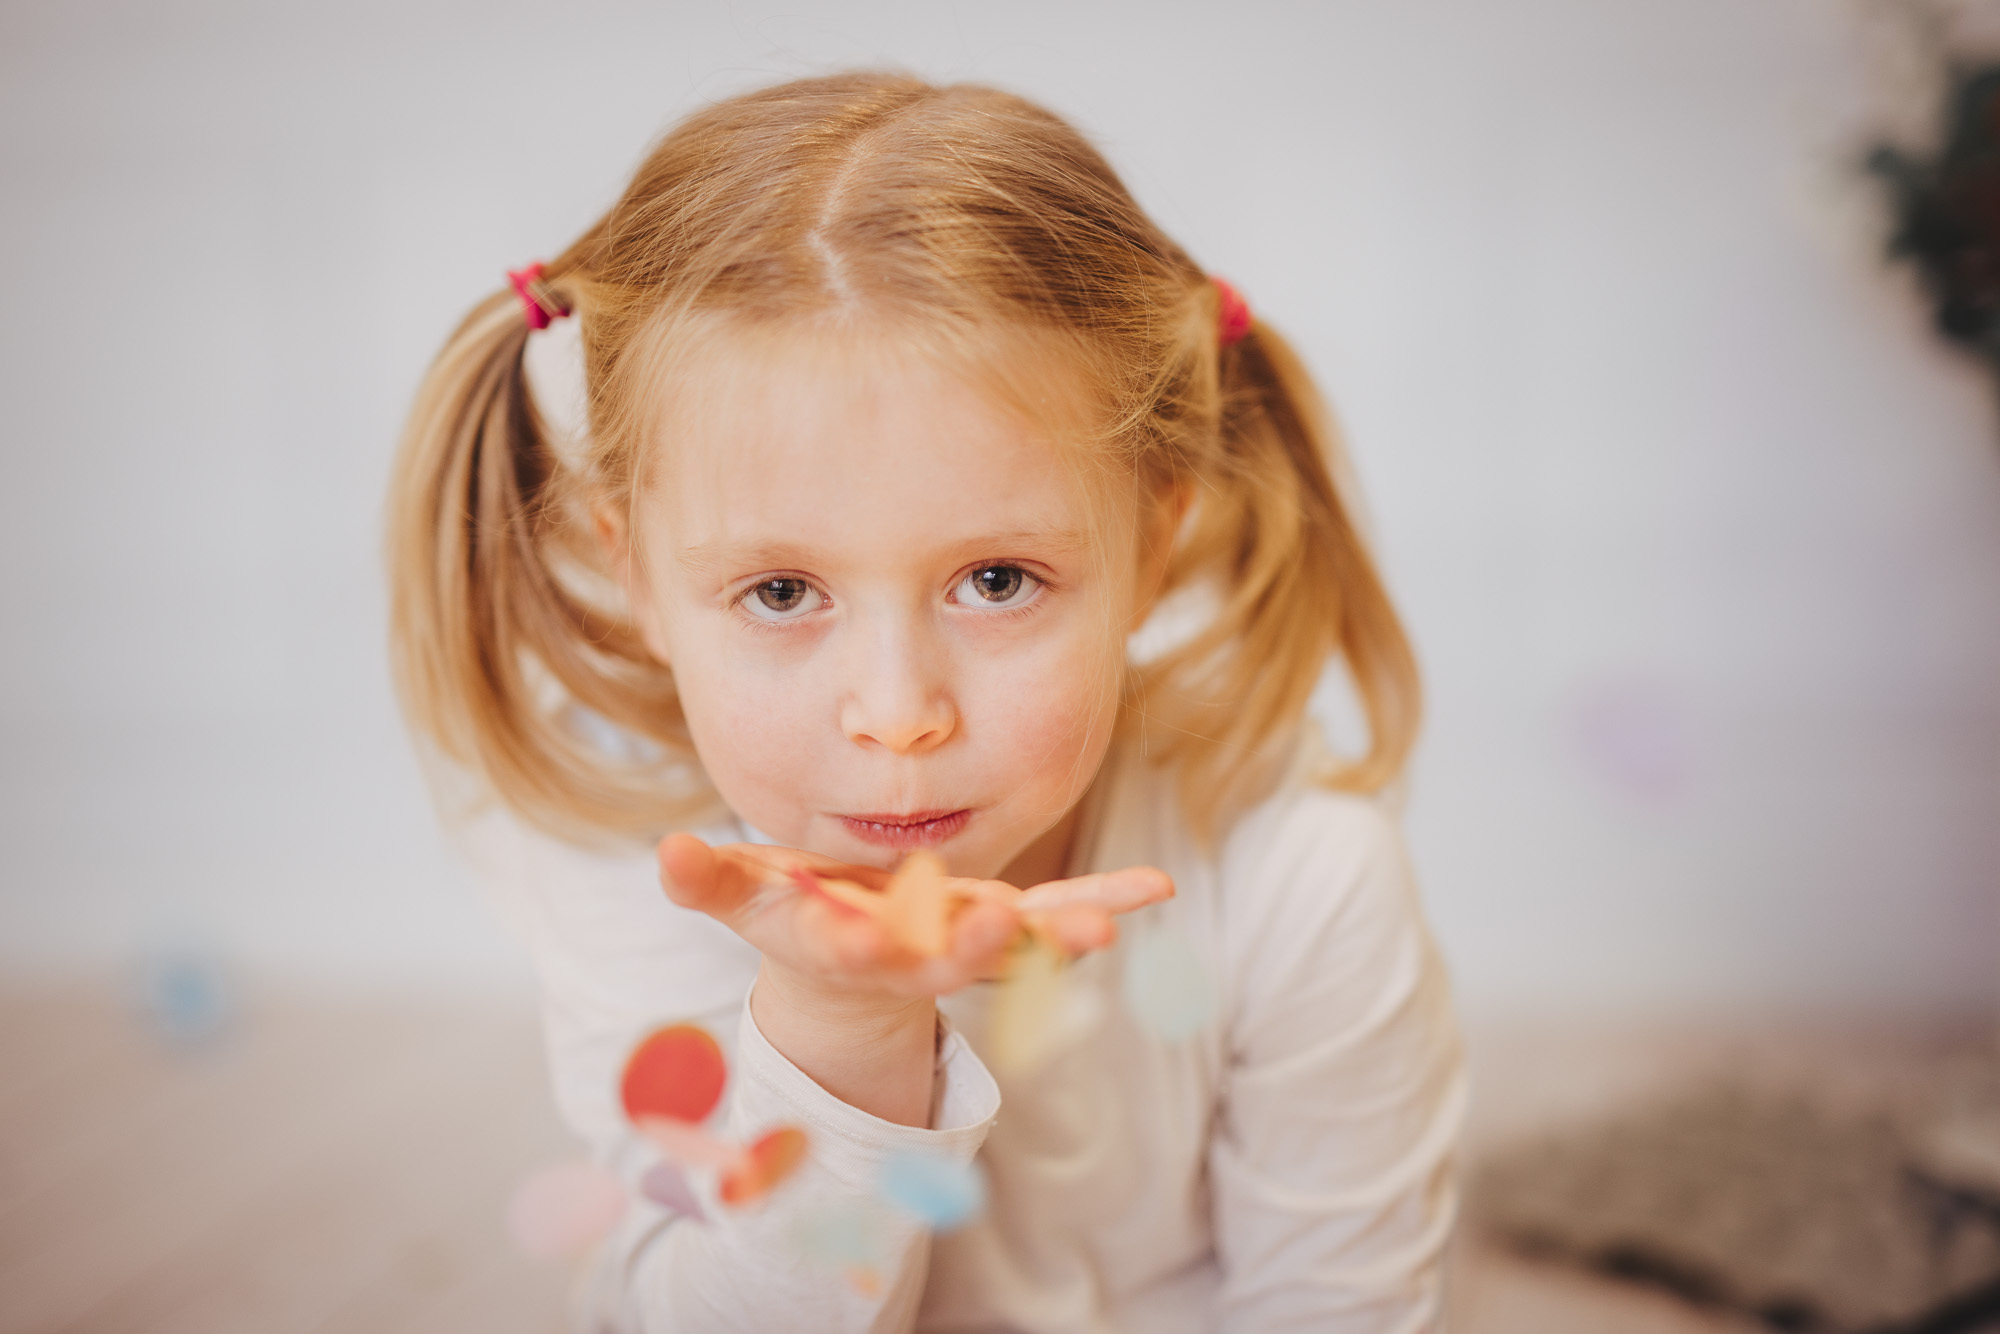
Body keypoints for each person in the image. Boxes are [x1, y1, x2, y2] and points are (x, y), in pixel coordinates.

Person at [387, 72, 1464, 1333]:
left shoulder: (1297, 873)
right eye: (782, 591)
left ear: (1150, 542)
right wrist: (835, 1034)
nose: (897, 714)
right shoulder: (640, 867)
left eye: (994, 579)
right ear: (635, 576)